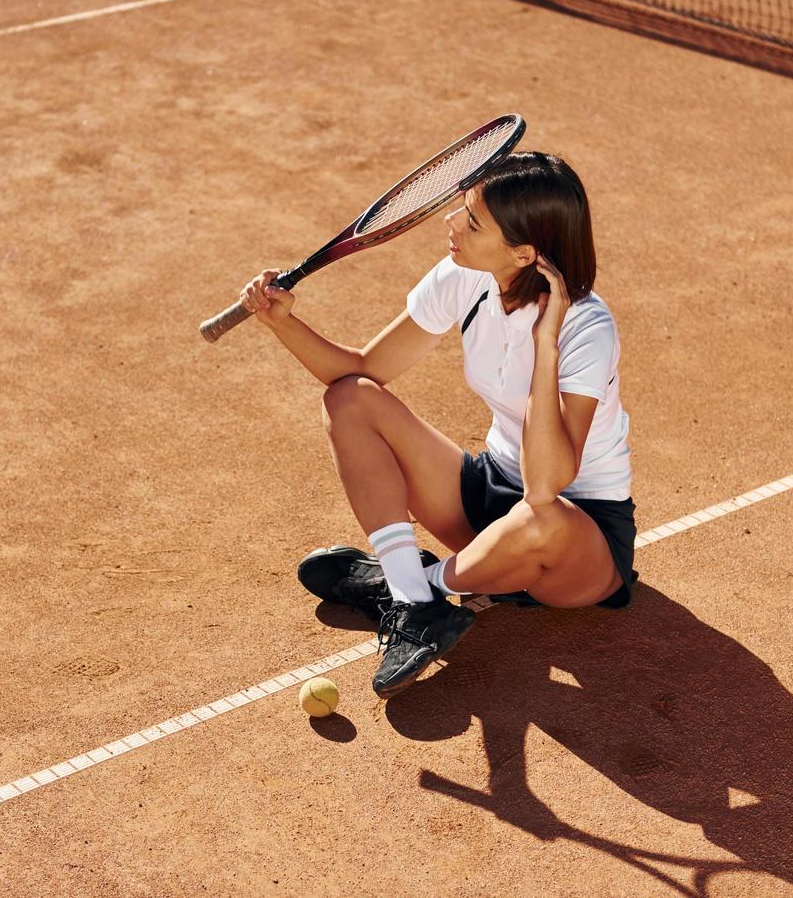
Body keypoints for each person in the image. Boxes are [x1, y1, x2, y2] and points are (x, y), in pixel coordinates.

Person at [238, 151, 636, 698]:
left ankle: (412, 585)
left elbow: (547, 487)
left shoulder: (587, 329)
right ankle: (414, 600)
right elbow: (360, 371)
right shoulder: (465, 278)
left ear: (523, 252)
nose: (449, 222)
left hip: (575, 541)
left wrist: (546, 343)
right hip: (487, 494)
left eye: (471, 221)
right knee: (350, 401)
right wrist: (282, 322)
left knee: (540, 516)